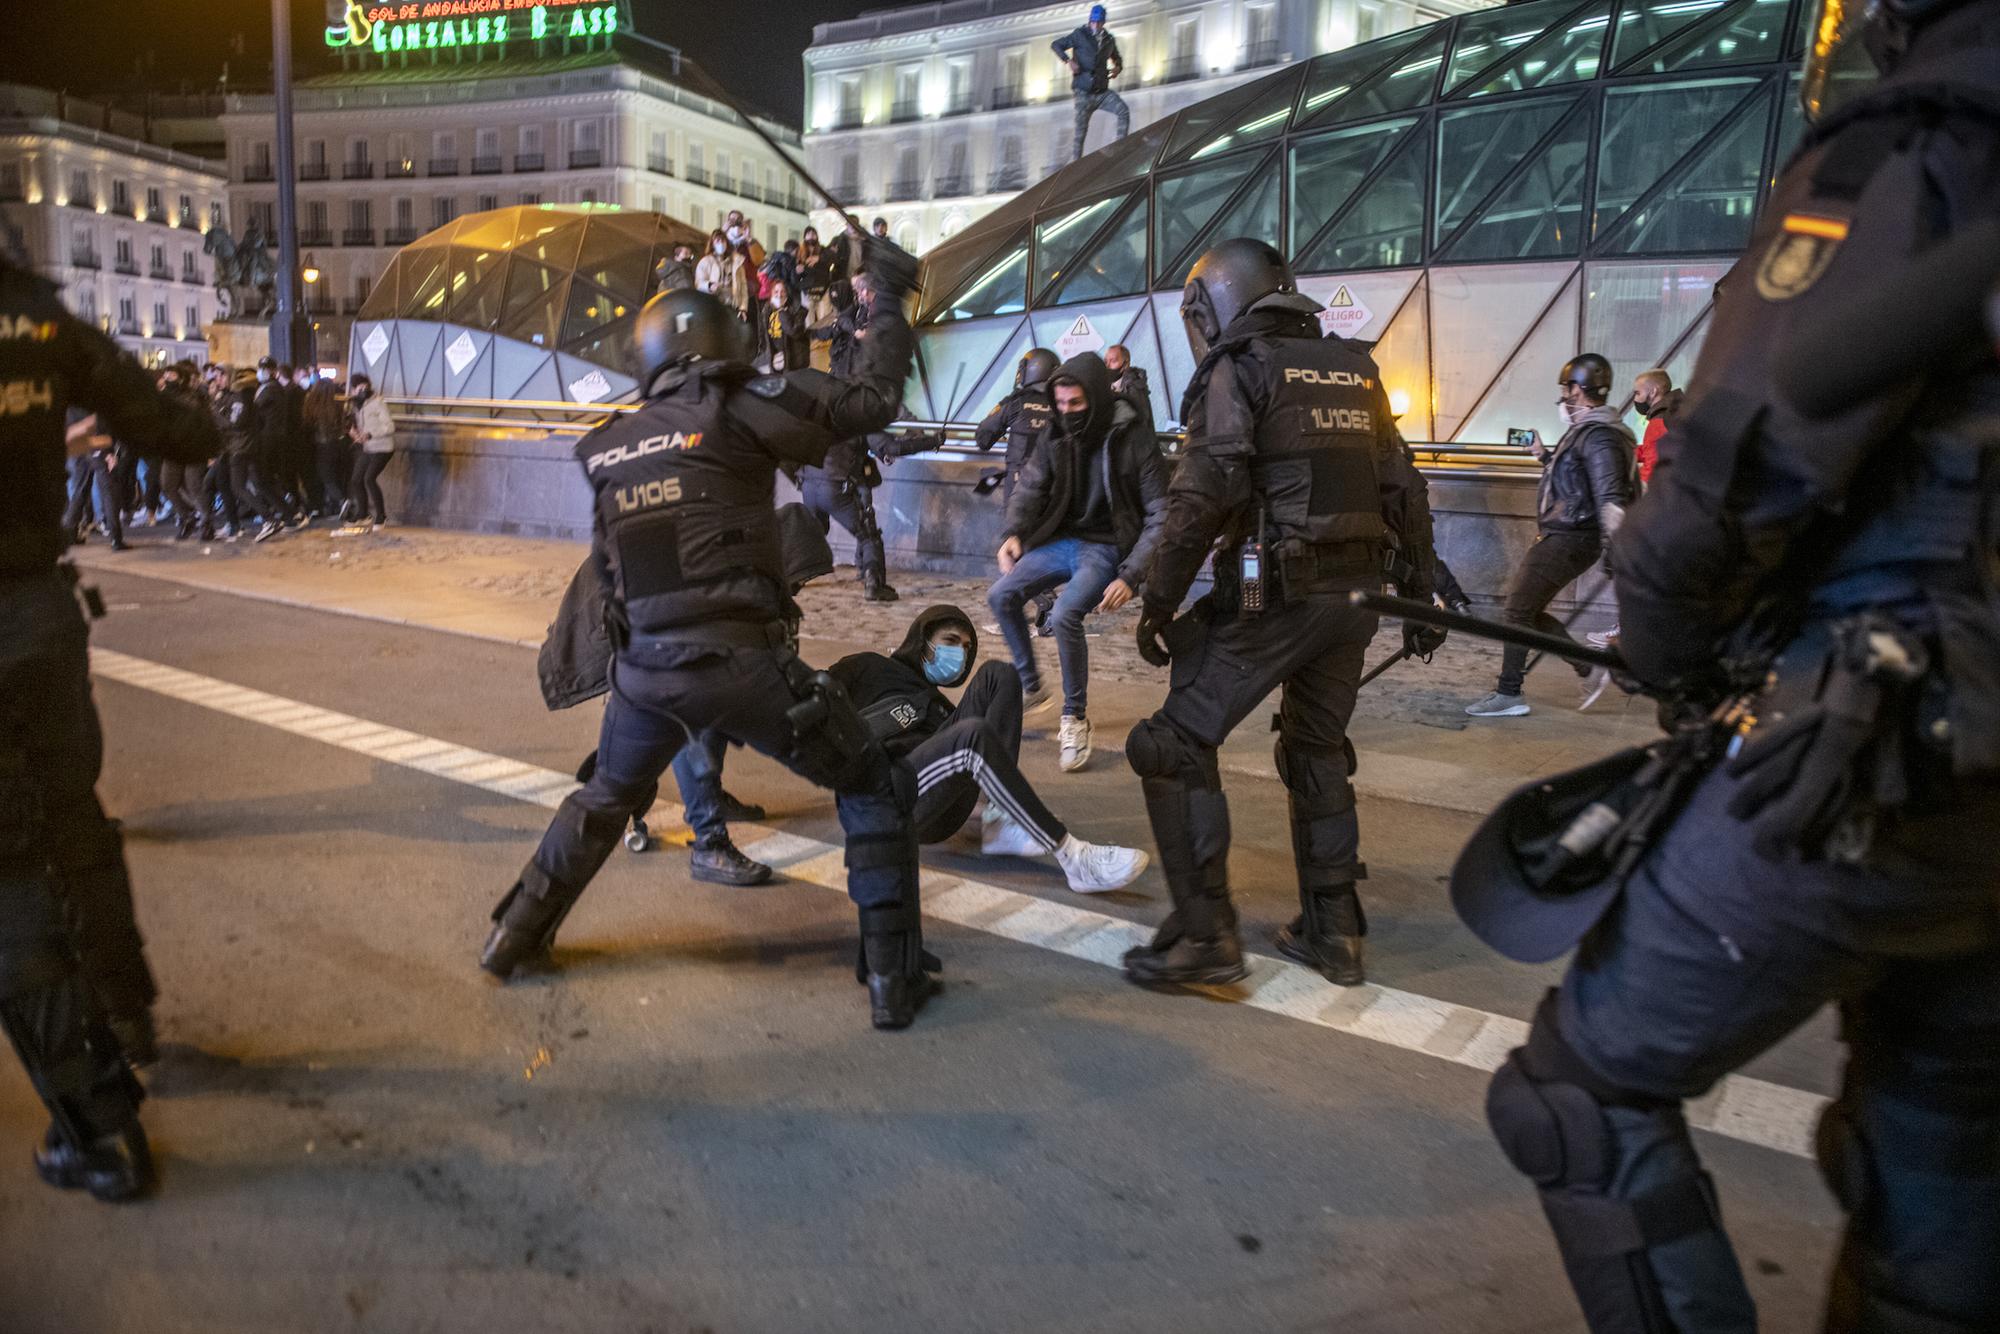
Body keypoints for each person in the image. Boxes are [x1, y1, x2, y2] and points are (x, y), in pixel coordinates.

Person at [1463, 0, 2000, 1327]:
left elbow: (1734, 463)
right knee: (1942, 1163)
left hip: (1891, 744)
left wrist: (1665, 644)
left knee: (1574, 1096)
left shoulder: (1920, 147)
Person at [478, 239, 945, 1030]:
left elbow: (612, 571)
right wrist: (889, 305)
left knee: (602, 800)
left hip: (644, 673)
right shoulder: (742, 405)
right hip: (743, 663)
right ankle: (891, 980)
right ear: (722, 343)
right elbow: (869, 404)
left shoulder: (611, 446)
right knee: (870, 784)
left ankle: (511, 937)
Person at [1120, 238, 1442, 990]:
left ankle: (1206, 940)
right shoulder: (1354, 369)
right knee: (1314, 748)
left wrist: (1158, 602)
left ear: (1215, 305)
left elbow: (1201, 497)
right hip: (1359, 597)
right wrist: (1421, 598)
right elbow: (1406, 491)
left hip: (1280, 596)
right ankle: (1335, 934)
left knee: (1170, 746)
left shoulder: (1242, 370)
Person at [0, 247, 222, 1199]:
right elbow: (184, 429)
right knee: (72, 819)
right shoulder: (35, 318)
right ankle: (128, 1016)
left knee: (8, 873)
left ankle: (97, 1126)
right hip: (37, 615)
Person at [827, 605, 1150, 892]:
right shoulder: (867, 666)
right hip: (883, 797)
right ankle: (1074, 858)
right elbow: (806, 698)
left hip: (937, 809)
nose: (960, 654)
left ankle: (999, 817)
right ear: (922, 641)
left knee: (1000, 674)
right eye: (951, 641)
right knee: (971, 735)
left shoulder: (941, 710)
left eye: (967, 648)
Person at [988, 351, 1166, 772]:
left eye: (1076, 404)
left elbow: (1162, 512)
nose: (1066, 412)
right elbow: (1029, 486)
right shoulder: (1053, 433)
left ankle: (1075, 718)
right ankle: (1031, 685)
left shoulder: (1132, 436)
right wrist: (1012, 533)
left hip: (1105, 547)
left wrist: (1131, 574)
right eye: (1061, 404)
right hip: (1061, 540)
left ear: (1097, 399)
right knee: (1002, 596)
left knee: (1066, 614)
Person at [1463, 353, 1634, 718]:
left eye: (1565, 389)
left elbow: (1609, 496)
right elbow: (1579, 486)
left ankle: (1509, 694)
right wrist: (1543, 456)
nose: (1562, 398)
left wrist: (1613, 551)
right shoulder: (1590, 433)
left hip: (1572, 537)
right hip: (1568, 534)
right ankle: (1585, 665)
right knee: (1528, 611)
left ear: (1578, 389)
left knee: (1516, 612)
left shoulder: (1600, 435)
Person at [800, 271, 899, 603]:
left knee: (814, 531)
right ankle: (872, 580)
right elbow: (883, 442)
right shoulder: (858, 410)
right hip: (839, 481)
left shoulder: (823, 409)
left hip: (815, 483)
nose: (859, 295)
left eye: (862, 290)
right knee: (867, 528)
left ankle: (791, 581)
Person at [973, 347, 1058, 502]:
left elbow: (983, 438)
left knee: (1015, 523)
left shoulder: (1016, 402)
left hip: (1020, 484)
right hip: (1055, 485)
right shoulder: (1063, 404)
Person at [1052, 5, 1129, 161]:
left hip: (1101, 92)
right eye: (1093, 22)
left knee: (1123, 111)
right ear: (1089, 21)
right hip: (1083, 91)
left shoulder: (1109, 40)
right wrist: (1068, 61)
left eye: (1098, 22)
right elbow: (1056, 45)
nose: (1095, 25)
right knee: (1080, 132)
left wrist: (1117, 68)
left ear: (1103, 22)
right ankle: (1075, 165)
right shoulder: (1080, 35)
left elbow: (1117, 58)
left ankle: (1120, 150)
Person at [344, 374, 395, 528]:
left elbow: (390, 426)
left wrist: (370, 434)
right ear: (353, 390)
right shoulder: (355, 405)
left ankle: (381, 516)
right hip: (367, 448)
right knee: (356, 479)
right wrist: (352, 431)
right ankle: (363, 514)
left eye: (366, 387)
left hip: (383, 447)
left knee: (369, 479)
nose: (363, 390)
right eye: (359, 388)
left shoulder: (378, 403)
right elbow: (351, 423)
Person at [302, 372, 348, 517]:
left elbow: (308, 425)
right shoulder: (337, 405)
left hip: (322, 446)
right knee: (335, 476)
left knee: (325, 477)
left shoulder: (314, 406)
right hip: (338, 445)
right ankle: (335, 505)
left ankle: (341, 501)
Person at [1630, 366, 1682, 486]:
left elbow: (1651, 468)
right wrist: (1627, 452)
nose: (1635, 399)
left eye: (1638, 393)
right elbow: (1655, 448)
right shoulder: (1677, 411)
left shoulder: (1658, 422)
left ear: (1653, 392)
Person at [760, 279, 811, 373]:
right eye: (776, 291)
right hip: (776, 357)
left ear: (787, 293)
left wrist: (782, 311)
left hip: (795, 360)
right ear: (771, 293)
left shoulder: (797, 310)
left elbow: (793, 331)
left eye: (782, 291)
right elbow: (763, 333)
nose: (779, 295)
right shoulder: (767, 309)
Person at [695, 229, 747, 320]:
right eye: (717, 241)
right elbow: (698, 283)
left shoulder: (737, 263)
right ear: (712, 244)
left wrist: (743, 308)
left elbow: (743, 287)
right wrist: (709, 286)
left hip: (732, 307)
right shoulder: (706, 261)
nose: (721, 243)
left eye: (723, 240)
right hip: (712, 308)